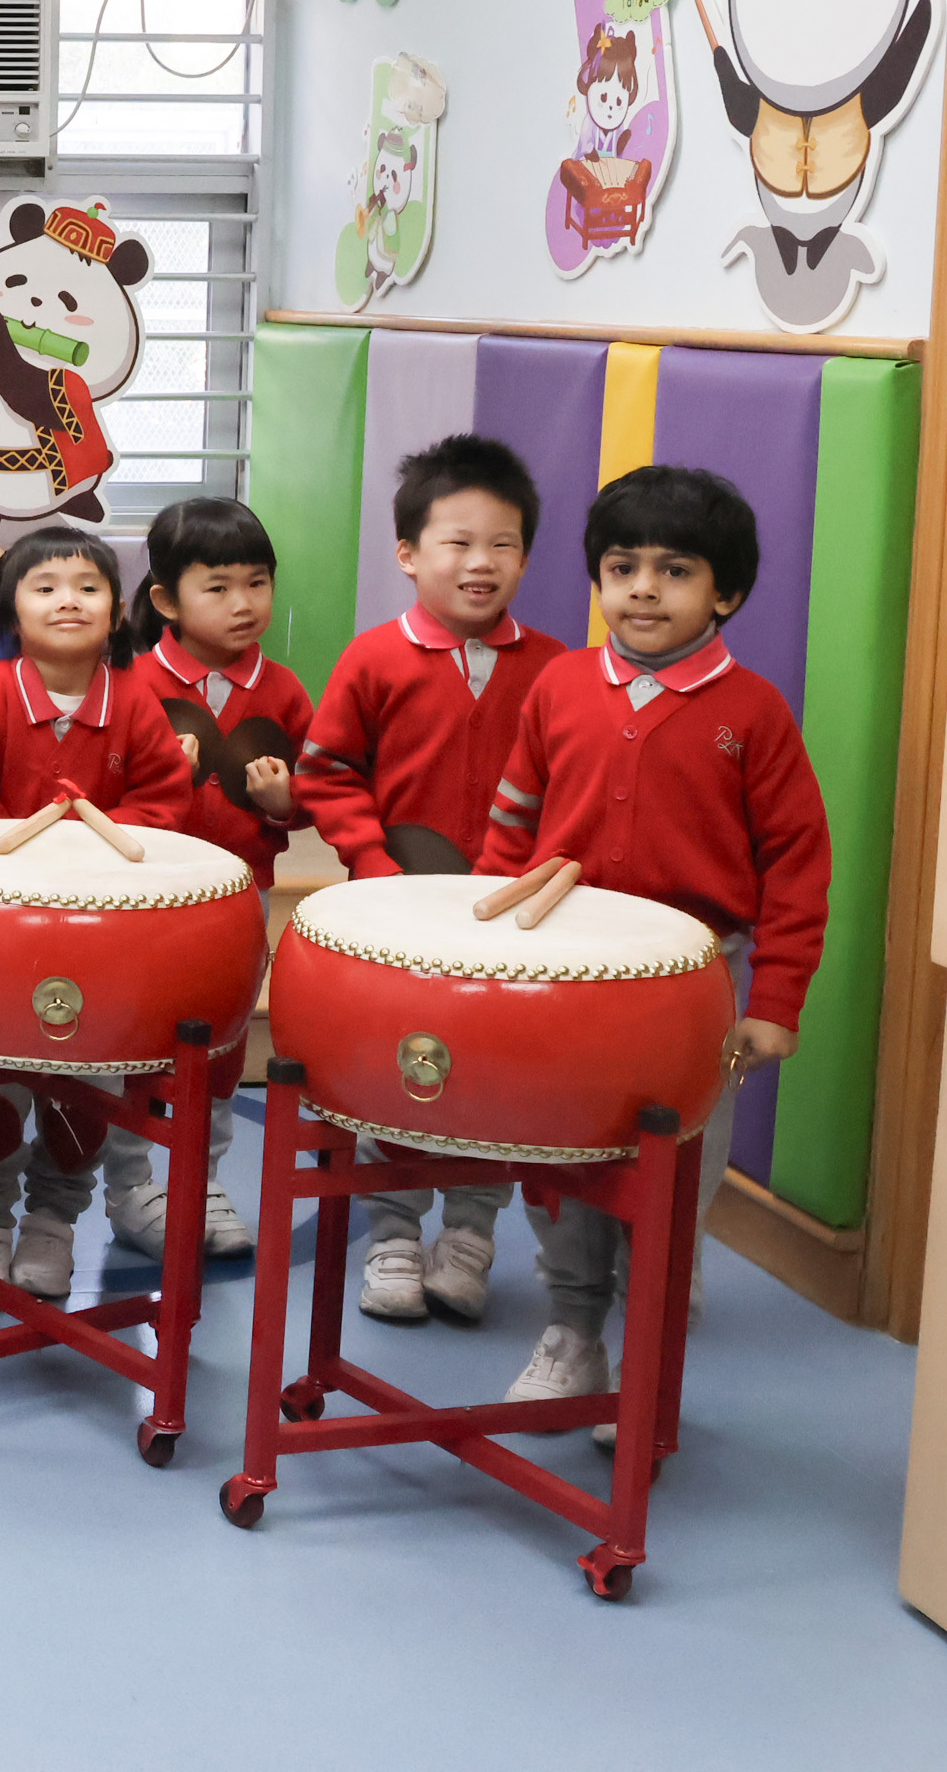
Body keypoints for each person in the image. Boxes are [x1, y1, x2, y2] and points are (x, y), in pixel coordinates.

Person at [484, 465, 826, 1438]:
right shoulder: (559, 685)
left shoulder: (753, 712)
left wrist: (775, 1002)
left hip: (694, 987)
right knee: (558, 1165)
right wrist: (489, 951)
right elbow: (512, 826)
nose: (642, 588)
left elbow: (798, 863)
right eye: (621, 566)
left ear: (726, 593)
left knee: (670, 1179)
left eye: (674, 570)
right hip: (561, 974)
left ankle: (650, 1361)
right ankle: (572, 1332)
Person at [296, 434, 569, 1325]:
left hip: (512, 925)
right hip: (399, 915)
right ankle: (394, 1234)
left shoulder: (559, 670)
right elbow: (327, 771)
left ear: (525, 556)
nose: (481, 563)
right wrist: (372, 864)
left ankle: (472, 1235)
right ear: (409, 554)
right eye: (458, 542)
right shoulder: (373, 658)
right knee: (405, 1071)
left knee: (500, 1077)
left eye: (503, 544)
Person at [0, 525, 194, 1303]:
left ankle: (53, 1223)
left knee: (84, 1090)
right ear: (11, 610)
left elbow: (163, 804)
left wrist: (90, 844)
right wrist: (26, 851)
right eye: (44, 587)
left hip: (103, 943)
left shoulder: (137, 700)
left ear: (117, 609)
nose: (68, 600)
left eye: (87, 586)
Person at [111, 497, 311, 1264]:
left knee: (223, 1042)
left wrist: (285, 804)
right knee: (135, 1041)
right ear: (166, 600)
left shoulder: (284, 690)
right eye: (218, 586)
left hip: (239, 897)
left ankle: (203, 1181)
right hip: (143, 901)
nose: (243, 603)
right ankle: (132, 1187)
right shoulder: (129, 682)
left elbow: (311, 795)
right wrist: (162, 781)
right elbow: (101, 791)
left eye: (257, 583)